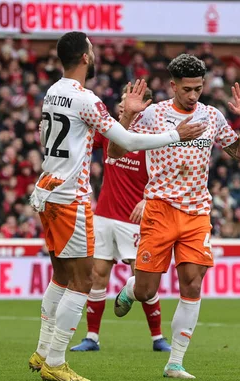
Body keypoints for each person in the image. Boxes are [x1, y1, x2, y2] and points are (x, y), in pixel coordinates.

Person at [27, 31, 206, 381]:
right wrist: (175, 135)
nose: (94, 56)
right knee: (83, 282)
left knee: (60, 277)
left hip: (46, 189)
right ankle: (57, 361)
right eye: (91, 52)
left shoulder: (52, 92)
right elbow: (124, 142)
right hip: (70, 197)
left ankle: (42, 351)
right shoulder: (87, 100)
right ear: (84, 58)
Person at [112, 54, 240, 379]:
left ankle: (175, 362)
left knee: (192, 283)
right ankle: (134, 288)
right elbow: (115, 153)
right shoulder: (153, 115)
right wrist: (128, 117)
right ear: (173, 85)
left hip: (196, 213)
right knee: (149, 290)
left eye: (198, 88)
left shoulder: (212, 116)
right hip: (160, 210)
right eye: (187, 89)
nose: (193, 96)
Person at [70, 86, 171, 353]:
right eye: (123, 99)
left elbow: (167, 177)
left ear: (146, 103)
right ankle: (92, 337)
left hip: (134, 220)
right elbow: (82, 139)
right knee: (97, 275)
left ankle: (157, 338)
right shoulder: (111, 133)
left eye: (130, 100)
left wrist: (148, 199)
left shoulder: (153, 139)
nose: (123, 104)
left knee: (143, 279)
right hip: (103, 215)